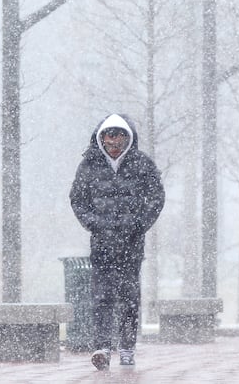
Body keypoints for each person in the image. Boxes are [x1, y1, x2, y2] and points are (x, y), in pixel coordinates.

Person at [69, 113, 165, 370]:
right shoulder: (89, 165)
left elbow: (156, 198)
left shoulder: (142, 165)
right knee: (102, 296)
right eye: (108, 138)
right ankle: (101, 346)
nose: (113, 143)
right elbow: (77, 199)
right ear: (101, 139)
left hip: (131, 245)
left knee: (129, 296)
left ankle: (127, 347)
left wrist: (138, 224)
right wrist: (93, 223)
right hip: (101, 244)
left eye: (118, 137)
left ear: (127, 138)